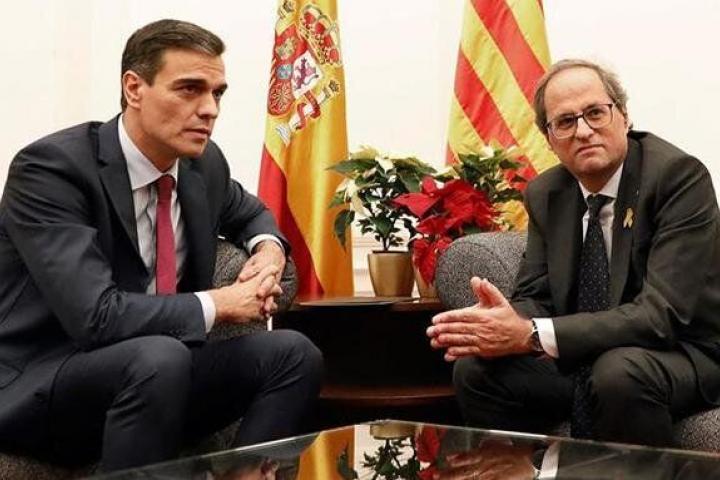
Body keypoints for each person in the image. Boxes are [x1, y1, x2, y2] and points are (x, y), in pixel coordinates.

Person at [0, 19, 323, 472]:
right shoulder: (52, 170)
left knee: (293, 354)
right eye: (189, 89)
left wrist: (268, 249)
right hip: (44, 382)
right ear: (134, 88)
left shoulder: (201, 164)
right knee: (161, 356)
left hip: (158, 378)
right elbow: (96, 317)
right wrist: (223, 303)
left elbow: (250, 213)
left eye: (217, 93)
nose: (209, 109)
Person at [428, 58, 720, 447]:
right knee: (476, 371)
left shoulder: (677, 178)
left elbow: (659, 317)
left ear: (624, 116)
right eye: (565, 122)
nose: (583, 131)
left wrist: (533, 335)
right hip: (591, 355)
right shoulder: (547, 193)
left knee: (617, 373)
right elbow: (537, 296)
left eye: (595, 113)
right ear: (549, 139)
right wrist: (500, 322)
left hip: (687, 351)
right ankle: (529, 471)